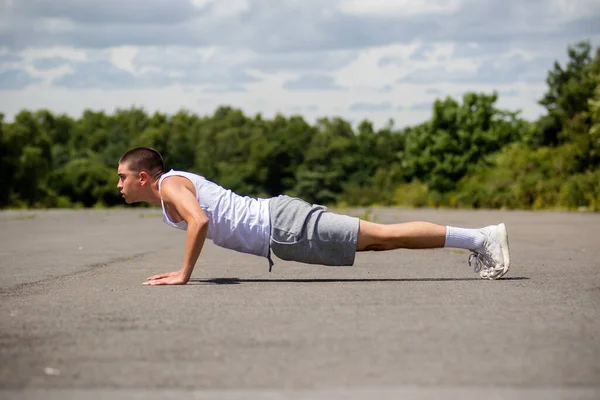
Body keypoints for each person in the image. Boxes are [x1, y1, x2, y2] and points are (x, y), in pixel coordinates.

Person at [117, 147, 510, 286]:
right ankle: (479, 239)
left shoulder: (169, 185)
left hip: (284, 226)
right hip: (283, 227)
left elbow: (200, 222)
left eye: (122, 177)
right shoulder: (171, 187)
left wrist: (184, 273)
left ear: (143, 177)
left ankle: (481, 239)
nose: (119, 185)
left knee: (384, 235)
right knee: (378, 240)